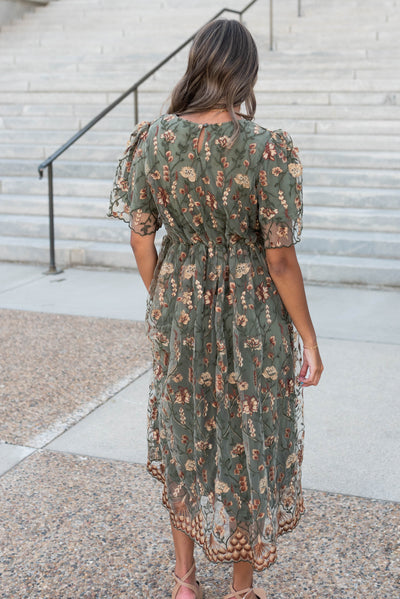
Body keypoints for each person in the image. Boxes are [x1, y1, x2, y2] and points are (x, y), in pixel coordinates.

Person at [108, 18, 323, 599]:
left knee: (185, 436)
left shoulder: (152, 139)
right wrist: (308, 336)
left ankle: (184, 583)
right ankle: (240, 587)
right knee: (246, 436)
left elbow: (140, 238)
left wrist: (169, 300)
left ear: (196, 64)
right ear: (246, 74)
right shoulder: (264, 148)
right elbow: (280, 258)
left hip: (181, 308)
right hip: (253, 314)